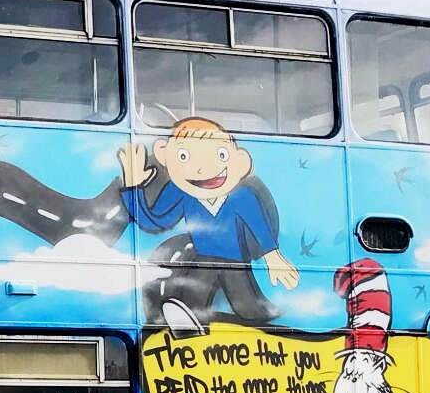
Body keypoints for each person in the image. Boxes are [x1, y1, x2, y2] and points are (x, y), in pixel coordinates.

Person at [117, 117, 298, 330]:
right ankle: (189, 321)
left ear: (240, 161)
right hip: (203, 259)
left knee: (249, 306)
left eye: (220, 155)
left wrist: (273, 257)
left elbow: (258, 225)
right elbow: (156, 221)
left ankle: (271, 324)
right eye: (184, 156)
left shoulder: (242, 195)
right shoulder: (181, 193)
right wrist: (132, 188)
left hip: (235, 262)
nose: (203, 169)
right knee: (196, 292)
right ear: (164, 155)